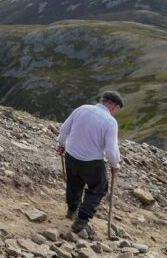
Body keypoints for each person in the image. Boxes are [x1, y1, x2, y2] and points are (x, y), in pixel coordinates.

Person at [56, 91, 123, 234]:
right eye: (116, 108)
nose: (115, 111)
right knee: (98, 189)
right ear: (111, 105)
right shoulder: (110, 122)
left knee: (74, 183)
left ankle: (72, 210)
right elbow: (111, 149)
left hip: (71, 155)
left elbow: (64, 129)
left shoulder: (82, 109)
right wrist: (115, 165)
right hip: (91, 162)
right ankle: (81, 221)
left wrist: (61, 144)